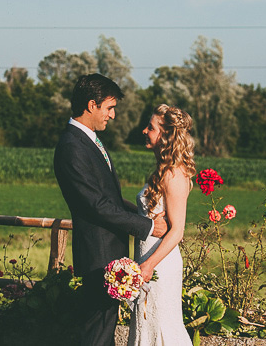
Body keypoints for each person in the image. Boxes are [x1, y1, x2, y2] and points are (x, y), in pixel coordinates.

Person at [54, 73, 169, 346]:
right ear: (91, 105)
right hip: (98, 254)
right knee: (96, 334)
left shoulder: (88, 139)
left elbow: (110, 198)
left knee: (102, 331)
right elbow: (96, 205)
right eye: (109, 107)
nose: (113, 115)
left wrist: (142, 214)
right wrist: (149, 227)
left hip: (108, 252)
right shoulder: (72, 146)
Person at [128, 104, 196, 346]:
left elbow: (177, 230)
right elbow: (148, 211)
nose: (145, 131)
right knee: (145, 325)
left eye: (151, 128)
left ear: (166, 135)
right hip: (148, 259)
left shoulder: (174, 174)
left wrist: (147, 266)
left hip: (160, 264)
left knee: (162, 326)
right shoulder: (161, 171)